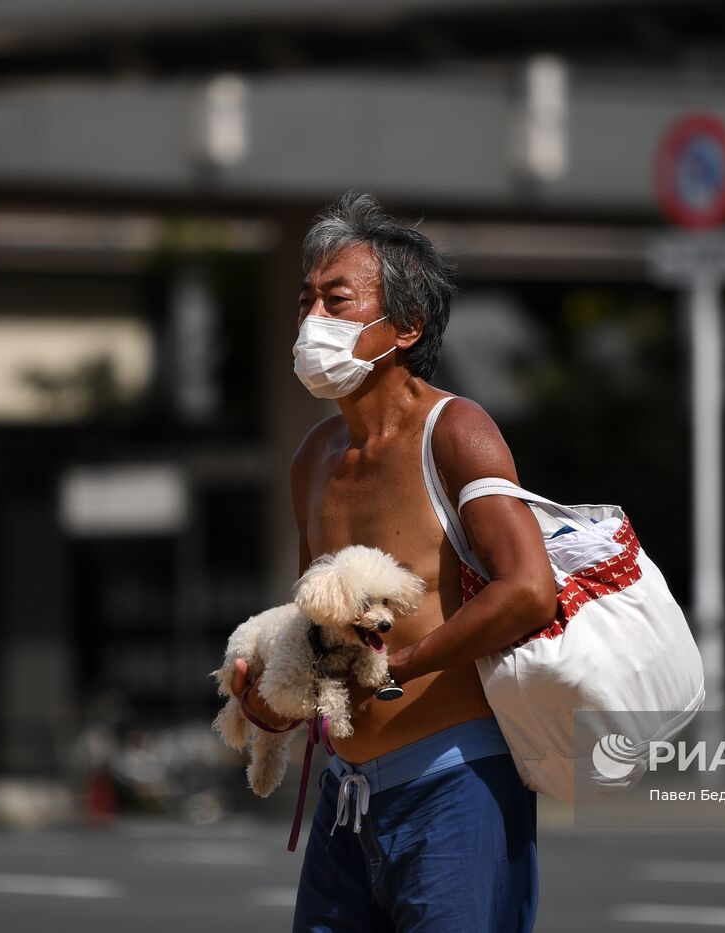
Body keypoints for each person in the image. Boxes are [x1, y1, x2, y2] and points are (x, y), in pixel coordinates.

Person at [229, 191, 552, 932]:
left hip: (456, 783)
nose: (313, 320)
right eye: (306, 300)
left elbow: (529, 590)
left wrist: (399, 670)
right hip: (346, 797)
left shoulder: (457, 430)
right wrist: (270, 696)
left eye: (337, 299)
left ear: (405, 326)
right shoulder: (313, 456)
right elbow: (320, 625)